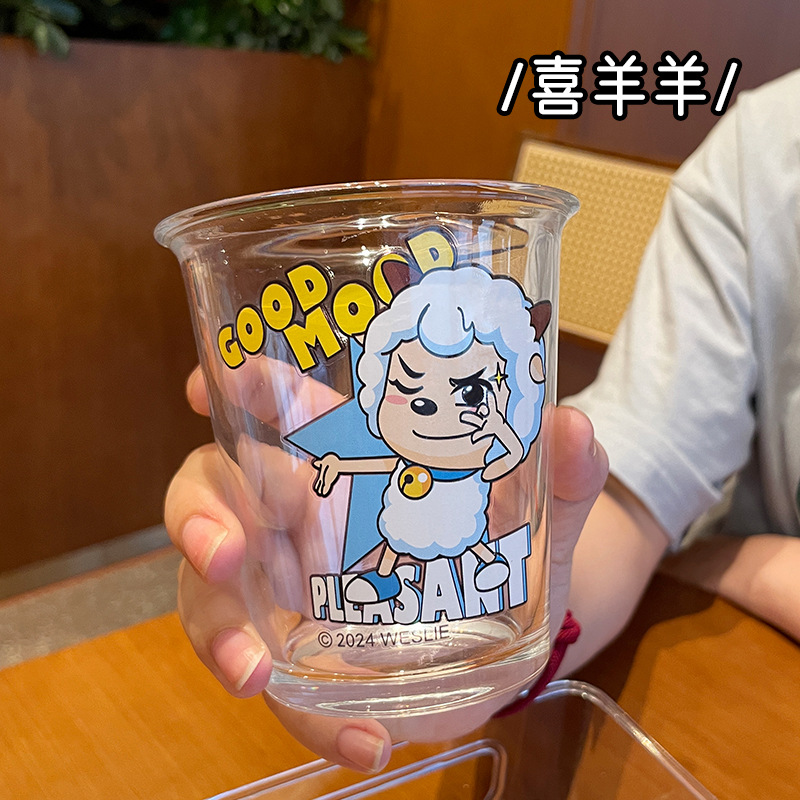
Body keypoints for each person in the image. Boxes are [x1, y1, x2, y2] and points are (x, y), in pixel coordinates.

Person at [164, 69, 800, 774]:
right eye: (409, 389)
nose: (430, 410)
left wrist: (745, 563)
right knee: (391, 557)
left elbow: (509, 451)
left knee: (441, 551)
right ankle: (390, 589)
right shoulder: (765, 148)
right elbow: (636, 492)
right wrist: (498, 639)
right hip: (442, 562)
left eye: (466, 392)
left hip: (733, 687)